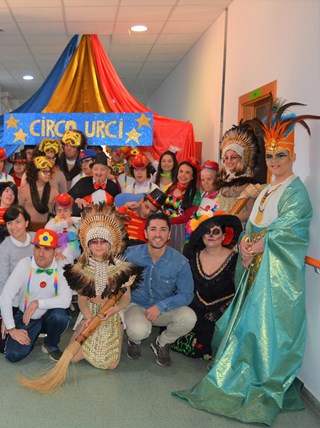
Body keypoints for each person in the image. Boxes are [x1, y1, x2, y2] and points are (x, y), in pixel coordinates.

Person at [173, 103, 317, 425]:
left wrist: (261, 243)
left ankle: (265, 379)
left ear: (291, 158)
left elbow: (294, 225)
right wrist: (245, 247)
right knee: (243, 326)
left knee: (266, 330)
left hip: (276, 274)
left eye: (281, 156)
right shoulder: (267, 191)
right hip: (255, 266)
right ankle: (238, 372)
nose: (274, 161)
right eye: (270, 156)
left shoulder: (296, 190)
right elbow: (250, 225)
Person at [65, 204, 143, 369]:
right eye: (94, 242)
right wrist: (87, 316)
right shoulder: (81, 268)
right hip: (89, 312)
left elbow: (126, 297)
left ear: (111, 243)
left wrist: (114, 310)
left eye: (103, 241)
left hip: (110, 313)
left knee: (109, 365)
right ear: (87, 244)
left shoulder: (121, 268)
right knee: (72, 357)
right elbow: (82, 300)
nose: (99, 245)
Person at [123, 212, 196, 367]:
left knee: (189, 317)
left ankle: (162, 342)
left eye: (163, 229)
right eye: (153, 229)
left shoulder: (180, 262)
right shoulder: (130, 255)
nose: (158, 234)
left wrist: (162, 306)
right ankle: (133, 339)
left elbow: (187, 294)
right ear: (145, 233)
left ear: (169, 234)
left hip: (163, 309)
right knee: (139, 331)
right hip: (136, 305)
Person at [171, 213, 241, 359]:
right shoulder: (193, 256)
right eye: (207, 232)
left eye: (216, 232)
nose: (211, 235)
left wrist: (221, 311)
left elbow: (240, 290)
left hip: (223, 309)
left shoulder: (235, 258)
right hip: (194, 304)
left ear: (223, 236)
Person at [0, 229, 72, 362]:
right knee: (13, 355)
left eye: (47, 249)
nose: (41, 253)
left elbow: (66, 300)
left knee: (60, 316)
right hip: (27, 317)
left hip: (49, 316)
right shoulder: (24, 264)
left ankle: (51, 343)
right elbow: (5, 296)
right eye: (38, 247)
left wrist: (37, 303)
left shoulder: (63, 266)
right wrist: (12, 328)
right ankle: (32, 337)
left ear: (55, 251)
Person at [0, 206, 34, 352]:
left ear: (27, 222)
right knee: (0, 343)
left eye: (17, 222)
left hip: (35, 299)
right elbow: (2, 282)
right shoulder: (5, 247)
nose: (13, 227)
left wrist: (58, 254)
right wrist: (5, 314)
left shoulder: (37, 239)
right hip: (13, 301)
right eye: (9, 223)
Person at [215, 122, 263, 225]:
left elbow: (251, 212)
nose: (229, 161)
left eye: (234, 157)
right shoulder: (222, 181)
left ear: (242, 159)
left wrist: (230, 218)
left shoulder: (249, 184)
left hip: (239, 229)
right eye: (226, 158)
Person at [163, 160, 200, 251]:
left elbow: (189, 217)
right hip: (165, 228)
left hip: (180, 230)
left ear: (192, 177)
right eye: (181, 171)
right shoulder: (170, 187)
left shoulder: (194, 192)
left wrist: (168, 220)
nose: (183, 175)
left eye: (187, 172)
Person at [69, 152, 120, 216]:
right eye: (95, 169)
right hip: (85, 223)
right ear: (92, 170)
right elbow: (68, 197)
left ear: (108, 172)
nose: (98, 173)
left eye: (102, 169)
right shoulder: (83, 182)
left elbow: (119, 207)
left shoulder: (113, 186)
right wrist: (77, 199)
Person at [18, 156, 59, 231]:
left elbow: (58, 213)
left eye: (49, 171)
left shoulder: (54, 191)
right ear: (35, 172)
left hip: (47, 229)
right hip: (27, 229)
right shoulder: (23, 190)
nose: (47, 174)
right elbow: (20, 213)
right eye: (44, 171)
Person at [45, 193, 81, 267]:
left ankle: (66, 273)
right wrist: (65, 223)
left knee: (67, 251)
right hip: (56, 248)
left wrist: (72, 220)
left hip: (73, 248)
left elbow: (85, 220)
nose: (62, 213)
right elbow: (46, 230)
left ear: (71, 211)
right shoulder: (53, 221)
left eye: (65, 210)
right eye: (59, 211)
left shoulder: (76, 222)